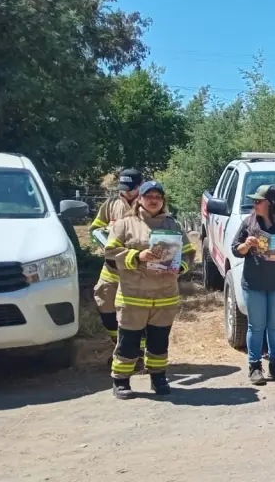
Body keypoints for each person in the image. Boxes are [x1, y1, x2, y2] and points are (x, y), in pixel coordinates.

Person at [103, 181, 195, 399]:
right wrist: (137, 256)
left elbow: (189, 252)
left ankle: (158, 377)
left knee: (159, 340)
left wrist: (179, 267)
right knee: (128, 341)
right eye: (149, 196)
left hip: (164, 296)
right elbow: (110, 253)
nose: (154, 200)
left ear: (163, 201)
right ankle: (121, 380)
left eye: (158, 197)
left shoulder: (173, 225)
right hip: (134, 295)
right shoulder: (125, 225)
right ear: (140, 200)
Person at [232, 185, 275, 385]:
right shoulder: (249, 223)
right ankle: (254, 366)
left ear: (270, 204)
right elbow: (235, 249)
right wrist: (246, 245)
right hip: (254, 283)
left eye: (258, 201)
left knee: (274, 327)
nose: (254, 204)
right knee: (256, 326)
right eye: (254, 201)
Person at [89, 168, 145, 362]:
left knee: (138, 313)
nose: (125, 192)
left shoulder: (149, 203)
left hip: (138, 269)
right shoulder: (111, 204)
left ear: (139, 186)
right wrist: (102, 235)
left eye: (130, 189)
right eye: (123, 188)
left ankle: (140, 353)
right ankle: (120, 347)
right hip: (111, 268)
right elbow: (94, 228)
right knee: (104, 304)